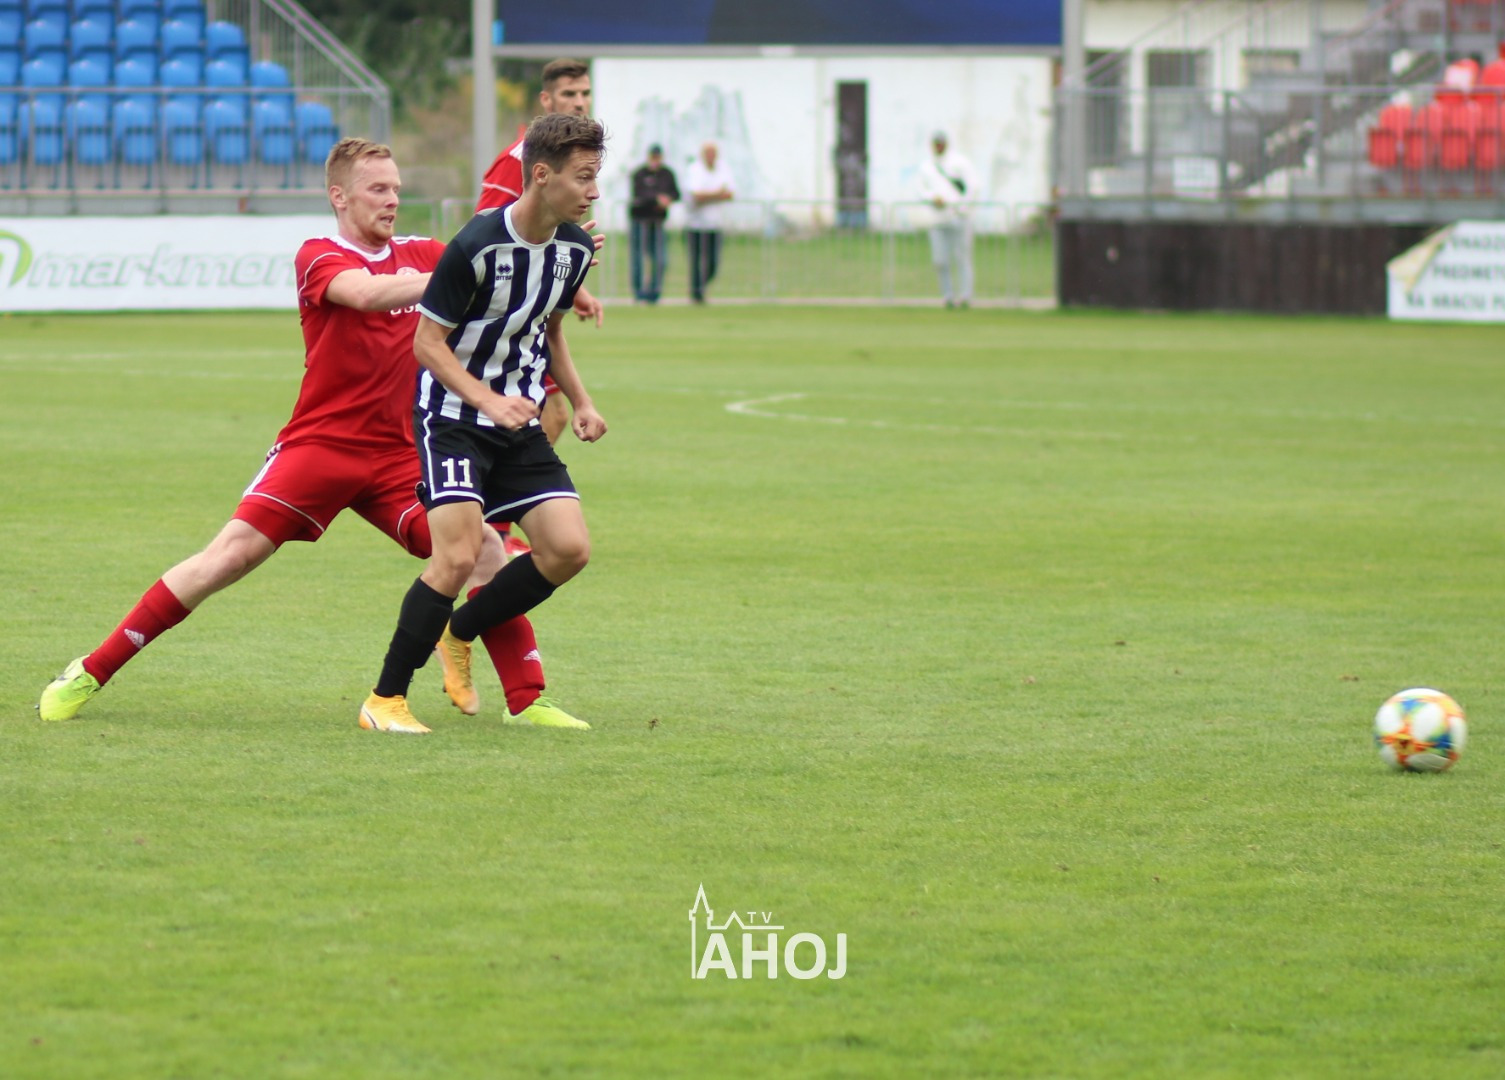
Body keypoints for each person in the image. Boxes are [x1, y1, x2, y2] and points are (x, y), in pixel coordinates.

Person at [37, 138, 573, 731]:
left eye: (396, 189)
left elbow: (498, 275)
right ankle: (91, 670)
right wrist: (446, 279)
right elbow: (366, 294)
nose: (392, 199)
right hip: (321, 448)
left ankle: (526, 700)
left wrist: (560, 277)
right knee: (227, 558)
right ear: (339, 196)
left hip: (401, 455)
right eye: (377, 189)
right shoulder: (320, 255)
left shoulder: (423, 251)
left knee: (484, 550)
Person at [360, 113, 608, 736]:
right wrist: (487, 401)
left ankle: (460, 629)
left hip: (517, 419)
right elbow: (426, 344)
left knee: (568, 549)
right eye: (583, 177)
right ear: (542, 175)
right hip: (452, 418)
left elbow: (550, 330)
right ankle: (384, 700)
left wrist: (581, 401)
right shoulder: (475, 244)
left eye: (596, 176)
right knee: (457, 557)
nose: (594, 191)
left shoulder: (574, 250)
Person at [475, 55, 602, 561]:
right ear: (546, 100)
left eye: (585, 94)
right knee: (543, 412)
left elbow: (544, 239)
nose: (579, 102)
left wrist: (572, 286)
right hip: (501, 318)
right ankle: (491, 524)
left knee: (549, 412)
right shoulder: (518, 159)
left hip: (530, 311)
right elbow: (487, 227)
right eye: (569, 95)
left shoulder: (574, 159)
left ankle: (495, 522)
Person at [918, 130, 978, 308]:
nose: (938, 146)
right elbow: (921, 189)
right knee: (940, 260)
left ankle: (966, 296)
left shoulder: (960, 162)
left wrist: (962, 207)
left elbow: (973, 186)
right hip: (937, 219)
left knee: (962, 257)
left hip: (959, 217)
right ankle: (948, 296)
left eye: (941, 143)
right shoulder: (927, 166)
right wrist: (932, 198)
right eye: (936, 144)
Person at [684, 141, 736, 303]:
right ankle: (696, 293)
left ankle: (699, 286)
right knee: (696, 261)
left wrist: (709, 196)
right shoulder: (695, 169)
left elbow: (730, 193)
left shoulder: (723, 169)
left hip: (715, 224)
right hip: (696, 224)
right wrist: (717, 195)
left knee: (713, 263)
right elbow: (696, 196)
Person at [628, 143, 679, 303]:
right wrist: (657, 199)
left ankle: (654, 292)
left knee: (660, 259)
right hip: (640, 221)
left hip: (658, 222)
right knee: (638, 259)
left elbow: (675, 193)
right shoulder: (640, 173)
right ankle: (639, 291)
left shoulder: (667, 174)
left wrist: (667, 199)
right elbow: (639, 195)